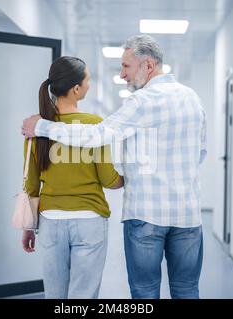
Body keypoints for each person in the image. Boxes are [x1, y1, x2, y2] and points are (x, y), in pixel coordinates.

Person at [22, 35, 207, 299]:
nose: (122, 75)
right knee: (187, 289)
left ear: (148, 65)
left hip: (145, 214)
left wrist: (41, 126)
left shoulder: (142, 102)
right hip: (188, 215)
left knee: (145, 292)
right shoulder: (193, 99)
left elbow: (96, 135)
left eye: (126, 67)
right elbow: (201, 152)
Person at [21, 56, 124, 299]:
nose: (89, 85)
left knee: (55, 296)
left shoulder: (35, 127)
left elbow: (31, 182)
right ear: (76, 89)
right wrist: (129, 179)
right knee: (83, 297)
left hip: (50, 221)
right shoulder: (95, 125)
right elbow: (109, 179)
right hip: (89, 220)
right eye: (88, 80)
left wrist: (28, 226)